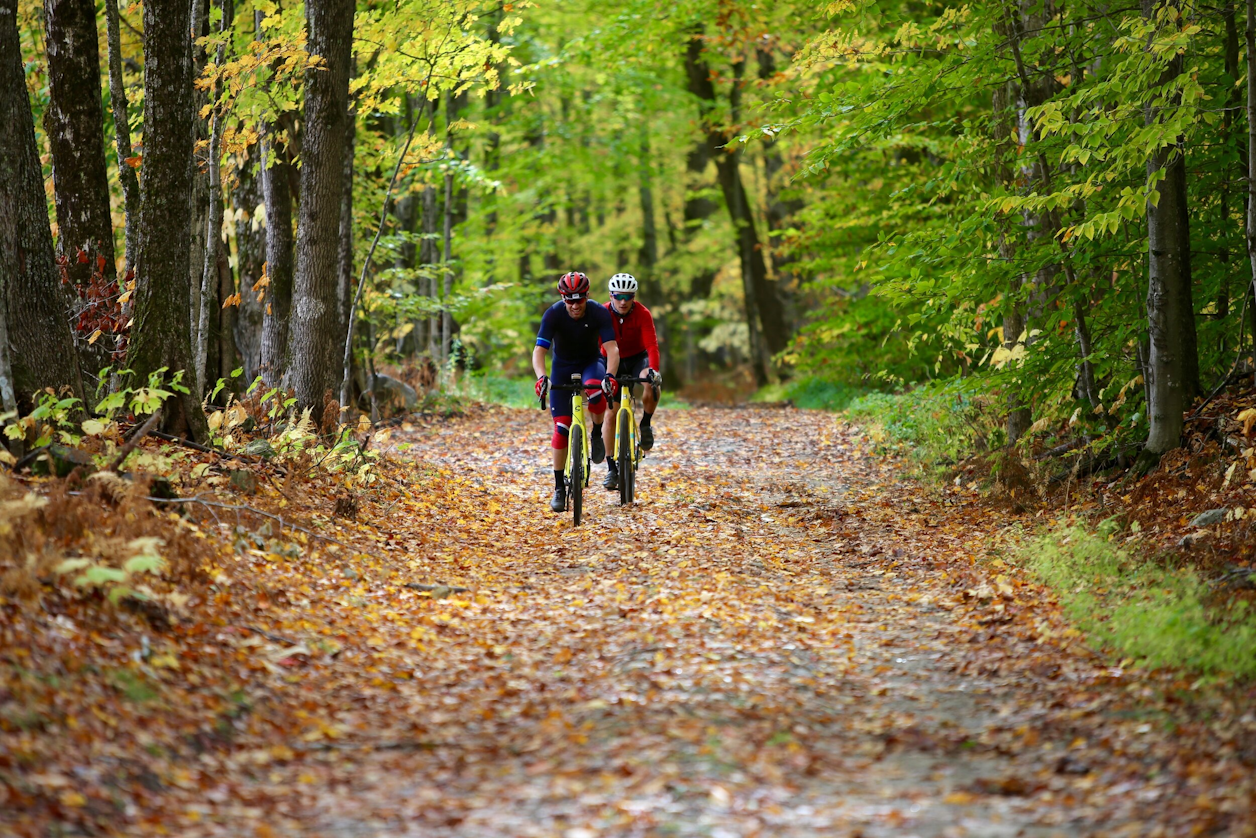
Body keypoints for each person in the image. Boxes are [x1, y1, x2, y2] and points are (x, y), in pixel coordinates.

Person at [533, 271, 620, 513]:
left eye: (579, 299)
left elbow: (612, 349)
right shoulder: (553, 314)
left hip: (591, 363)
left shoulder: (599, 312)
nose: (574, 305)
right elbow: (539, 351)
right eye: (569, 300)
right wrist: (542, 377)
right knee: (561, 427)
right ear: (562, 298)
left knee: (594, 388)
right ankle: (559, 487)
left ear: (587, 296)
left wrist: (610, 376)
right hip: (562, 367)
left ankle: (595, 433)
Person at [600, 272, 660, 491]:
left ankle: (645, 423)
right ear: (611, 295)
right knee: (610, 413)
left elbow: (652, 346)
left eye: (628, 296)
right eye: (618, 296)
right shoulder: (603, 312)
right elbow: (598, 343)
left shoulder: (643, 314)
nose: (623, 301)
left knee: (650, 382)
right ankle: (611, 468)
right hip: (610, 359)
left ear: (634, 296)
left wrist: (654, 370)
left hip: (637, 358)